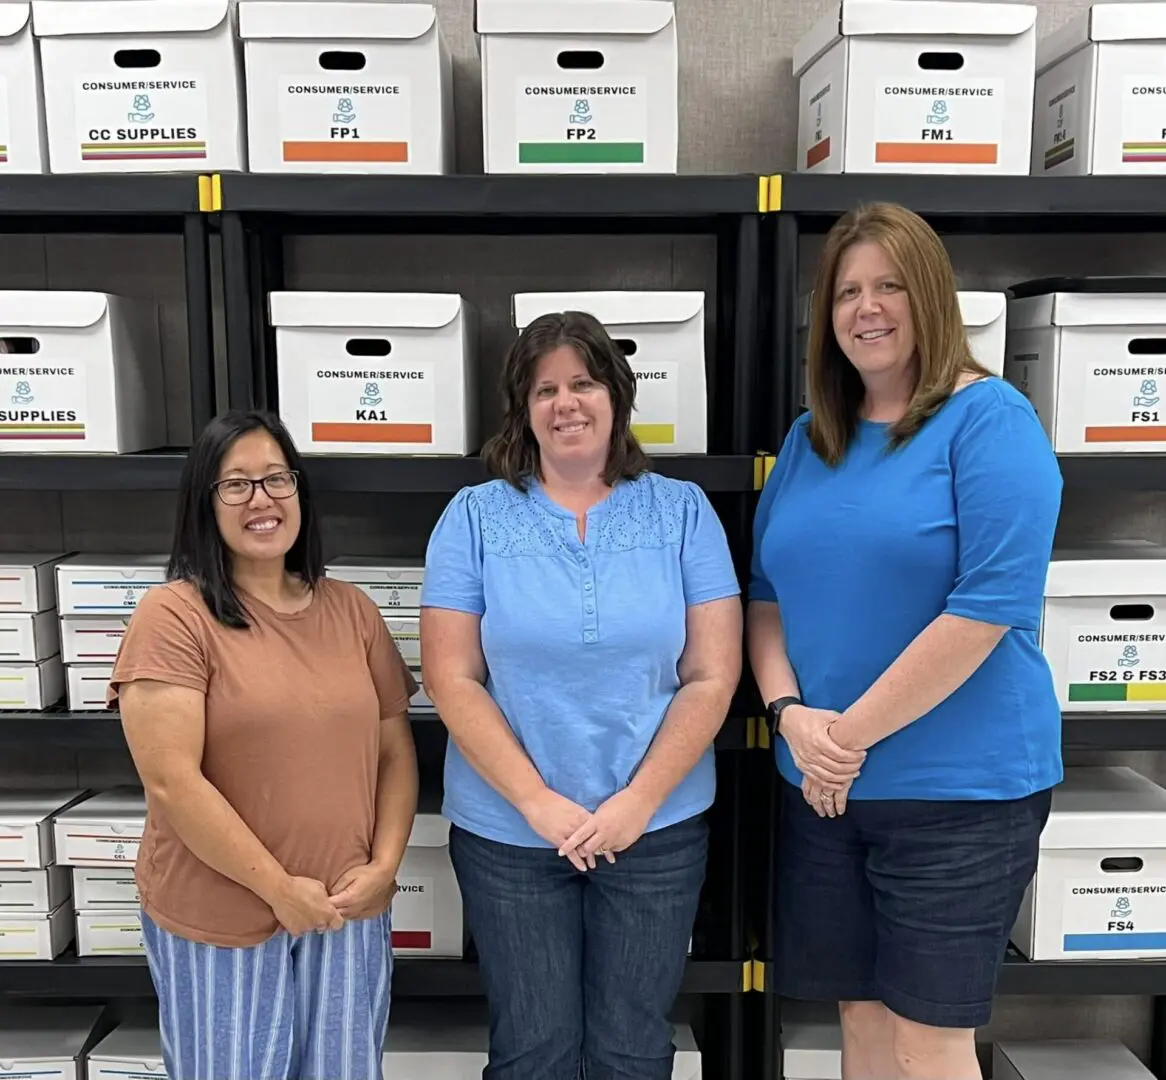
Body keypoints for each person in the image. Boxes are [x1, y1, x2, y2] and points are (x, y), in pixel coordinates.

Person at [747, 203, 1063, 1080]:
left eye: (889, 284)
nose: (867, 308)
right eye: (847, 291)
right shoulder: (812, 440)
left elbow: (985, 608)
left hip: (957, 792)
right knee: (861, 1019)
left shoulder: (991, 421)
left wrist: (841, 740)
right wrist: (789, 715)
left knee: (929, 1040)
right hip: (825, 787)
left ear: (929, 294)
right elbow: (766, 594)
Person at [420, 310, 742, 1080]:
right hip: (509, 835)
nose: (566, 403)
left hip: (655, 831)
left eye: (584, 383)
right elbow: (451, 677)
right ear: (522, 408)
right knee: (534, 1051)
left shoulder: (684, 513)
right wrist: (536, 801)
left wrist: (636, 804)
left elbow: (712, 675)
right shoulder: (474, 517)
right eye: (545, 389)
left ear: (616, 396)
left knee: (632, 1050)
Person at [110, 409, 418, 1080]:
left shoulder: (353, 612)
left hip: (345, 913)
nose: (263, 499)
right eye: (237, 484)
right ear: (204, 504)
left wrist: (384, 868)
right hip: (223, 922)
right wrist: (280, 891)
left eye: (277, 479)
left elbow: (394, 747)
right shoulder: (173, 617)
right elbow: (172, 783)